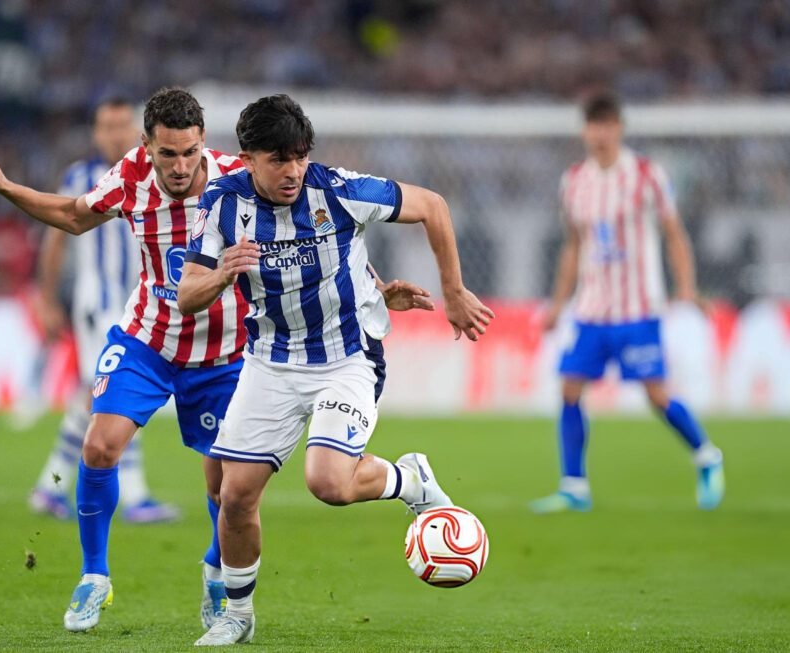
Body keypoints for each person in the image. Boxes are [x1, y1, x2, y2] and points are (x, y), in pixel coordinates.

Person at [0, 87, 433, 634]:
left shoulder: (243, 178)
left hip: (226, 351)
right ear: (148, 146)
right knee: (98, 443)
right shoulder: (130, 177)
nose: (180, 166)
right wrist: (3, 187)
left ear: (204, 143)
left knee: (223, 485)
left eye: (189, 152)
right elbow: (70, 215)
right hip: (150, 339)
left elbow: (326, 246)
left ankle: (217, 574)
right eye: (167, 154)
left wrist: (374, 290)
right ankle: (94, 576)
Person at [178, 94, 495, 646]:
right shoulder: (221, 205)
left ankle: (408, 480)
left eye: (301, 156)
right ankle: (239, 614)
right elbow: (186, 297)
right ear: (247, 158)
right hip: (270, 362)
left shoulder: (338, 190)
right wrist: (222, 274)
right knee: (233, 497)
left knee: (328, 483)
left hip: (346, 360)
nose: (294, 171)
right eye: (279, 159)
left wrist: (454, 290)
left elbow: (434, 206)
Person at [530, 91, 725, 514]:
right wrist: (559, 304)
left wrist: (687, 287)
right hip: (591, 309)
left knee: (656, 394)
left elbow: (673, 232)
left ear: (618, 127)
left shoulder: (646, 175)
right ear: (585, 130)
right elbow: (573, 246)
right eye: (592, 125)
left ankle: (707, 455)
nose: (599, 134)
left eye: (606, 125)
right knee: (569, 388)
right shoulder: (574, 181)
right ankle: (574, 486)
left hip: (638, 308)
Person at [29, 97, 180, 525]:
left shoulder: (158, 175)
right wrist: (46, 297)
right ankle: (135, 496)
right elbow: (56, 239)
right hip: (99, 304)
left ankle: (48, 487)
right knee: (114, 395)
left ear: (136, 130)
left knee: (92, 398)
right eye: (105, 126)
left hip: (143, 302)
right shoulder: (81, 176)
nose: (114, 134)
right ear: (96, 133)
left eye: (121, 125)